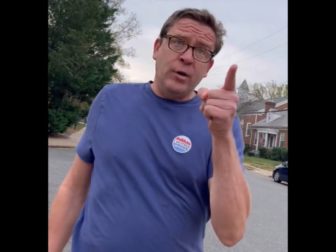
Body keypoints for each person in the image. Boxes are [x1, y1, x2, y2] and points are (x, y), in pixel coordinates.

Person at [48, 8, 251, 252]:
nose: (187, 56)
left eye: (201, 51)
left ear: (208, 66)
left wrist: (221, 136)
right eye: (178, 42)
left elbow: (231, 232)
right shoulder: (110, 100)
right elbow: (73, 189)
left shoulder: (220, 125)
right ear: (157, 48)